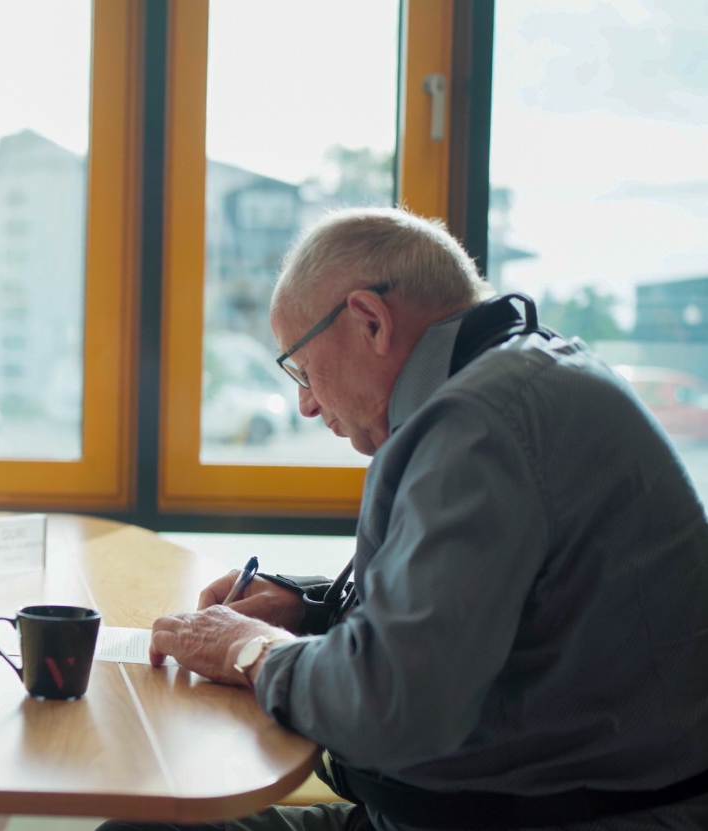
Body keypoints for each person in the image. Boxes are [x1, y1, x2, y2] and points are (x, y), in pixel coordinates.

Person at [110, 208, 708, 831]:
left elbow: (391, 707)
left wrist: (249, 650)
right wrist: (308, 608)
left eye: (304, 369)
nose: (307, 405)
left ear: (370, 321)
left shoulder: (478, 428)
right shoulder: (529, 375)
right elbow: (470, 608)